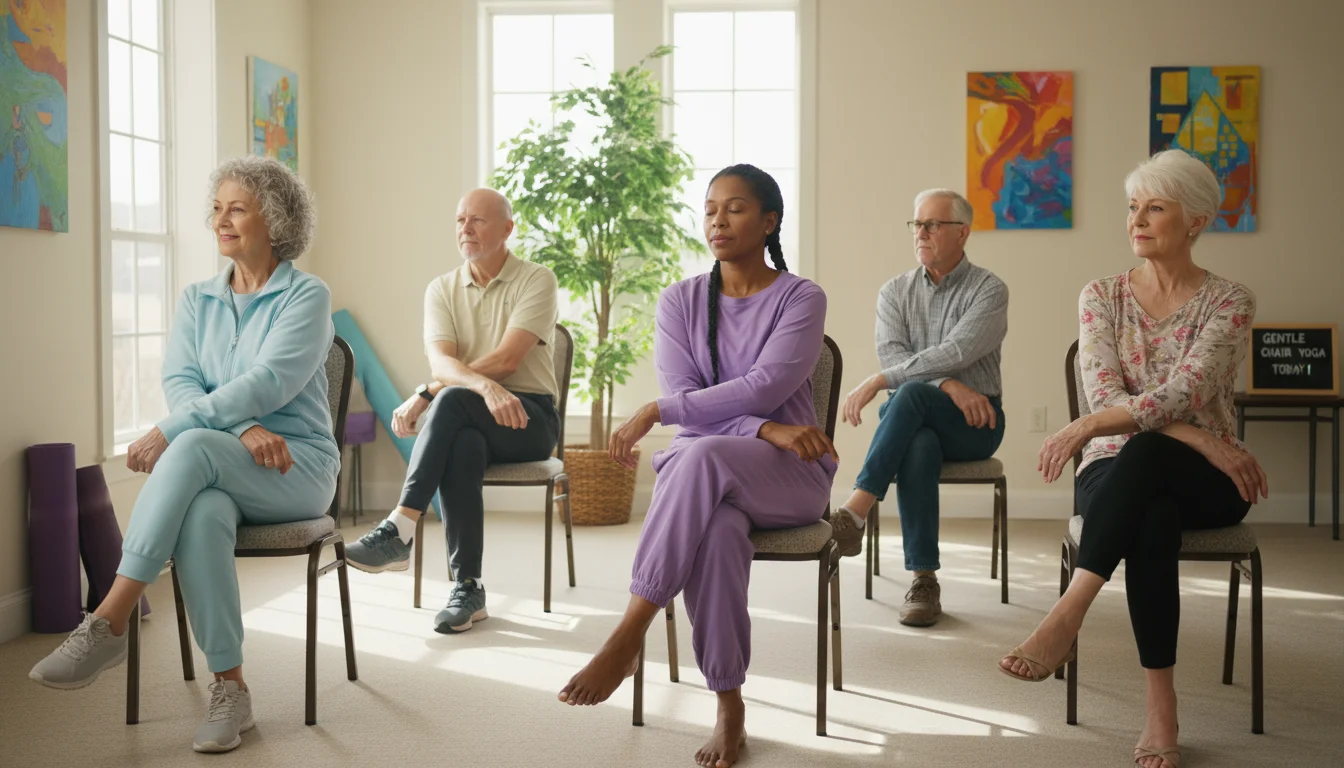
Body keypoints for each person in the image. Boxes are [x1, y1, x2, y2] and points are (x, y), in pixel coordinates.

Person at [28, 156, 340, 753]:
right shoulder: (198, 298)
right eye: (216, 208)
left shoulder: (306, 295)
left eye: (237, 208)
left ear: (274, 220)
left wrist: (195, 426)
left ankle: (109, 618)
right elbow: (181, 380)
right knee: (201, 516)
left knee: (192, 441)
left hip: (297, 467)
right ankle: (232, 690)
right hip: (228, 461)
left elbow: (270, 380)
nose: (220, 219)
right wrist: (244, 428)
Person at [556, 164, 835, 768]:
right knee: (715, 533)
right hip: (714, 477)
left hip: (790, 479)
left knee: (700, 454)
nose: (717, 218)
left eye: (735, 208)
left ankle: (630, 631)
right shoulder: (680, 301)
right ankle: (728, 703)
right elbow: (715, 414)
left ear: (769, 222)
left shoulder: (801, 297)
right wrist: (764, 428)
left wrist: (662, 408)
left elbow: (765, 385)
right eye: (710, 207)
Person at [998, 149, 1264, 768]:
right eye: (1132, 207)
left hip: (1212, 483)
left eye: (1155, 208)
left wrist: (1090, 425)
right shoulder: (1102, 296)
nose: (1136, 221)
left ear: (1195, 222)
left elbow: (1186, 389)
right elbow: (1108, 391)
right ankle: (1160, 712)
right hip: (1123, 468)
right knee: (1149, 509)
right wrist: (1199, 436)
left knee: (1147, 458)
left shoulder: (1230, 301)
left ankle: (1069, 610)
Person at [343, 188, 560, 635]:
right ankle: (468, 586)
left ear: (507, 229)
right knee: (461, 440)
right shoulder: (441, 288)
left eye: (478, 221)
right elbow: (442, 364)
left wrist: (427, 393)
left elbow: (507, 360)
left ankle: (400, 527)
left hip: (530, 419)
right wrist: (477, 386)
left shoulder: (538, 279)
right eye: (460, 220)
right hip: (469, 413)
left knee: (450, 398)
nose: (466, 229)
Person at [829, 188, 1008, 627]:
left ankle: (857, 508)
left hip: (975, 422)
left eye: (932, 224)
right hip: (916, 423)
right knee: (919, 441)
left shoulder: (989, 289)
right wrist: (947, 384)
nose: (921, 232)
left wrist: (881, 381)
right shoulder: (894, 292)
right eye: (916, 223)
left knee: (904, 395)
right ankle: (923, 580)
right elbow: (894, 356)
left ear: (962, 233)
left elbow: (960, 347)